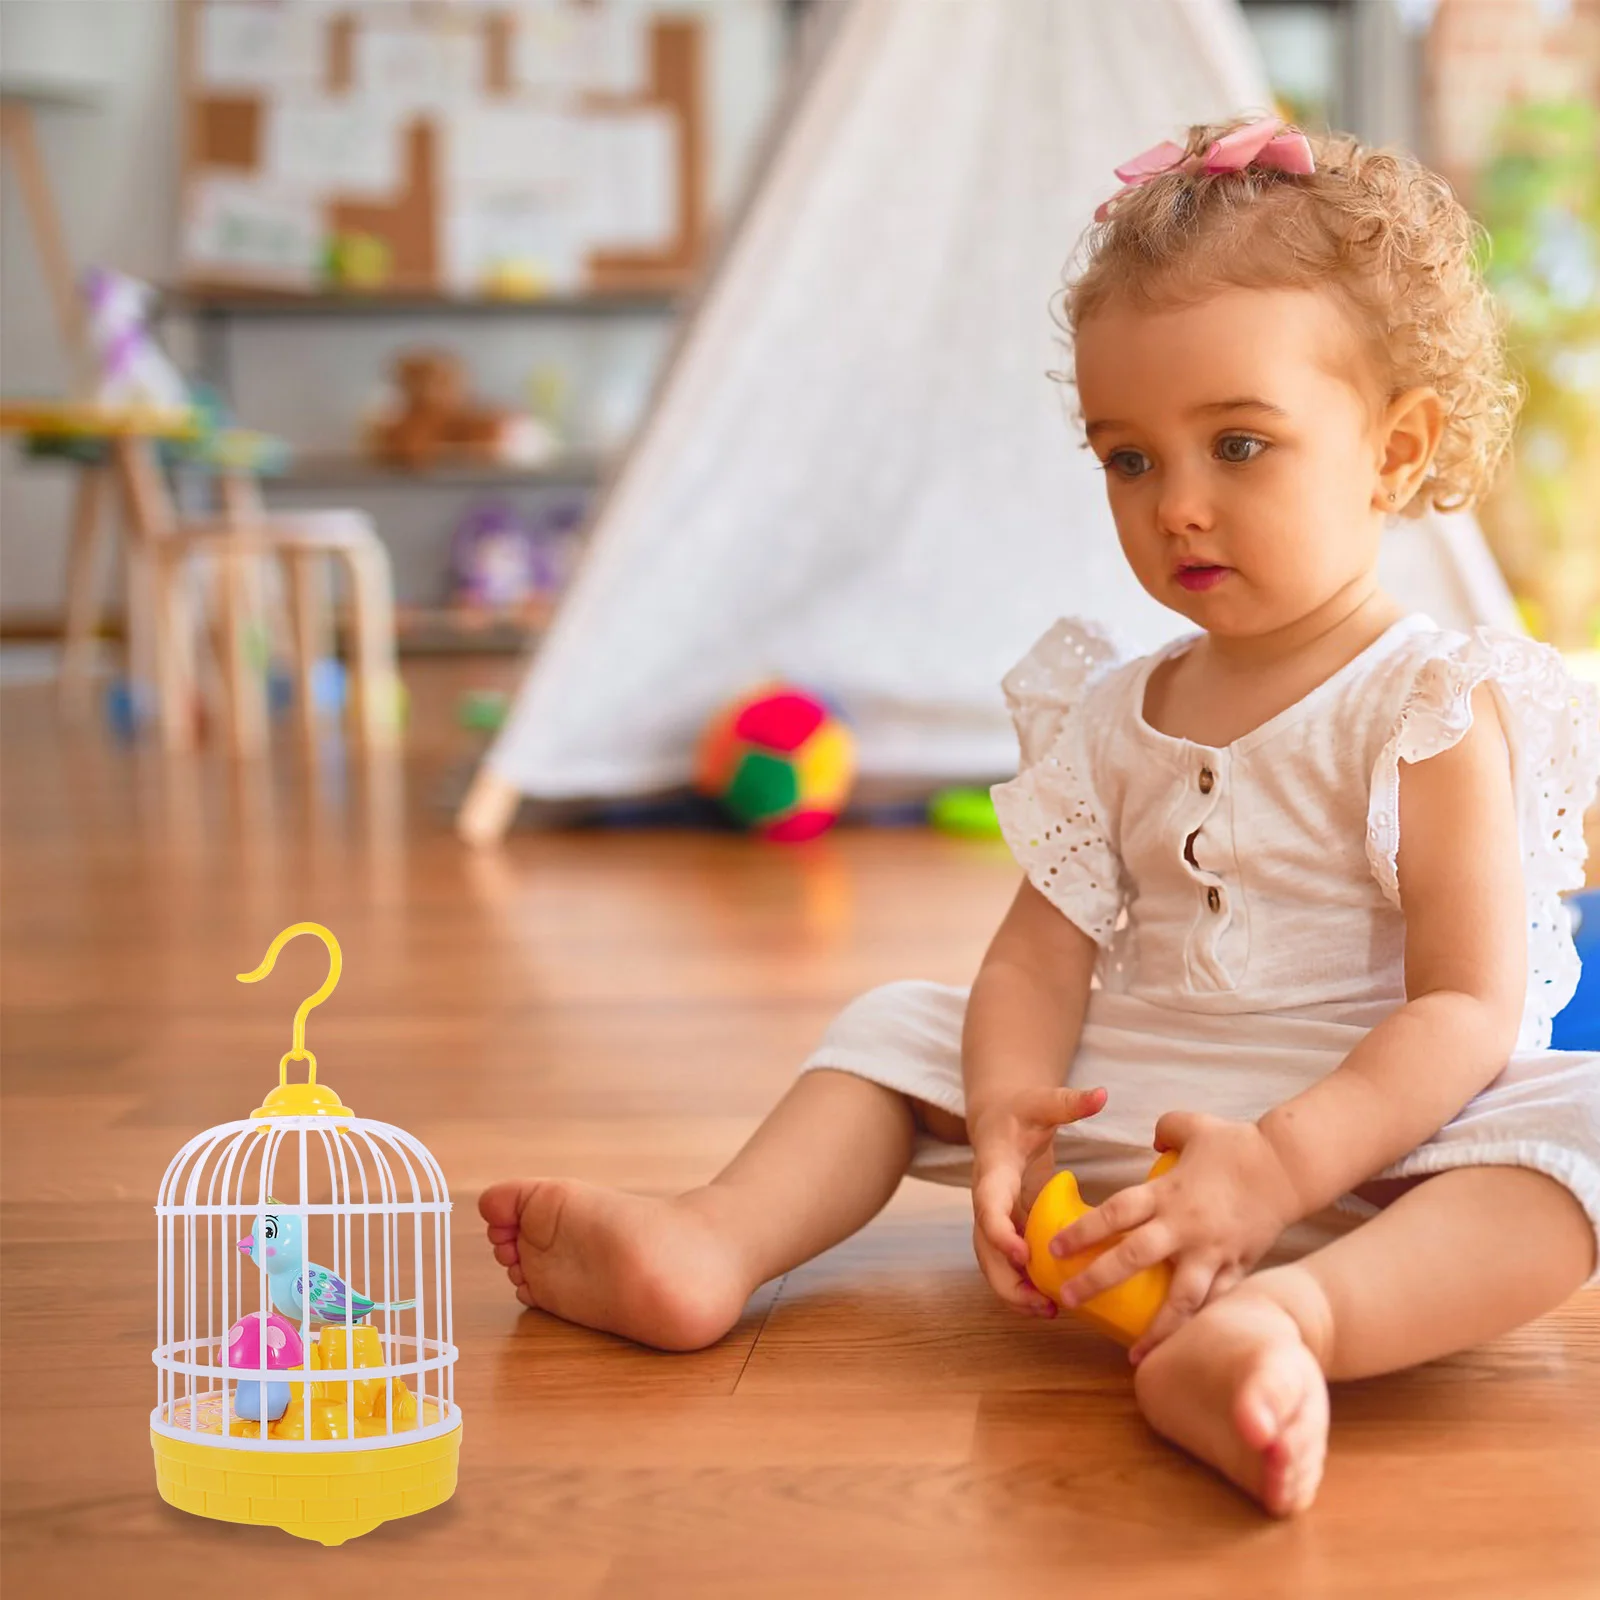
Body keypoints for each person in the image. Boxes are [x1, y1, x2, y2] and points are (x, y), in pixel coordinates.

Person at [481, 116, 1600, 1517]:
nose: (1176, 508)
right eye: (1128, 459)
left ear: (1395, 449)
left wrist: (1285, 1162)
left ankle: (1290, 1326)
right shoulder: (1114, 706)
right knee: (897, 1022)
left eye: (1238, 446)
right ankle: (713, 1241)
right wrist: (1011, 1102)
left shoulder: (1431, 704)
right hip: (1128, 1114)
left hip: (1367, 1148)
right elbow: (1035, 953)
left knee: (1582, 1129)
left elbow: (1466, 1012)